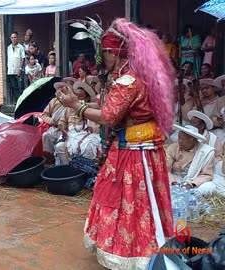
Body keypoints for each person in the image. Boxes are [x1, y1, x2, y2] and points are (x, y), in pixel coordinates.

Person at [56, 18, 175, 269]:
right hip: (144, 149)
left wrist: (75, 105)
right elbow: (112, 108)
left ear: (112, 52)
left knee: (128, 202)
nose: (101, 59)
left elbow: (109, 116)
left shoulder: (128, 81)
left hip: (133, 154)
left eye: (103, 53)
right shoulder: (141, 75)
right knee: (142, 202)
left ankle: (133, 254)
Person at [54, 82, 100, 165]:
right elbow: (62, 121)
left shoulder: (91, 107)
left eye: (81, 96)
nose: (77, 97)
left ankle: (87, 171)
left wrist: (92, 129)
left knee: (87, 147)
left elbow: (99, 124)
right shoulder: (69, 107)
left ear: (86, 98)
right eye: (76, 95)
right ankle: (68, 170)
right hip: (70, 133)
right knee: (59, 146)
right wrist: (62, 127)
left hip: (86, 133)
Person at [167, 125, 214, 191]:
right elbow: (165, 169)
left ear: (194, 140)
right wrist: (174, 183)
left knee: (209, 186)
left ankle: (192, 197)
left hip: (193, 182)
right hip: (175, 180)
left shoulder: (206, 152)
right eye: (179, 138)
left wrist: (191, 184)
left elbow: (207, 175)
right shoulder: (173, 147)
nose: (179, 141)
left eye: (183, 139)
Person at [41, 82, 67, 165]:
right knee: (46, 135)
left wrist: (63, 124)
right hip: (54, 127)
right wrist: (52, 121)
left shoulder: (70, 102)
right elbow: (44, 115)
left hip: (67, 129)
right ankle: (50, 159)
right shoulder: (53, 101)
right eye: (58, 90)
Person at [6, 32, 25, 104]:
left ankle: (22, 102)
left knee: (20, 87)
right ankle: (17, 102)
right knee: (14, 88)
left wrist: (20, 69)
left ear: (17, 38)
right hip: (11, 71)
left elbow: (23, 58)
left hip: (18, 71)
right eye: (12, 37)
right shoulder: (9, 48)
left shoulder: (21, 47)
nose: (14, 39)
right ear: (11, 39)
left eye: (15, 37)